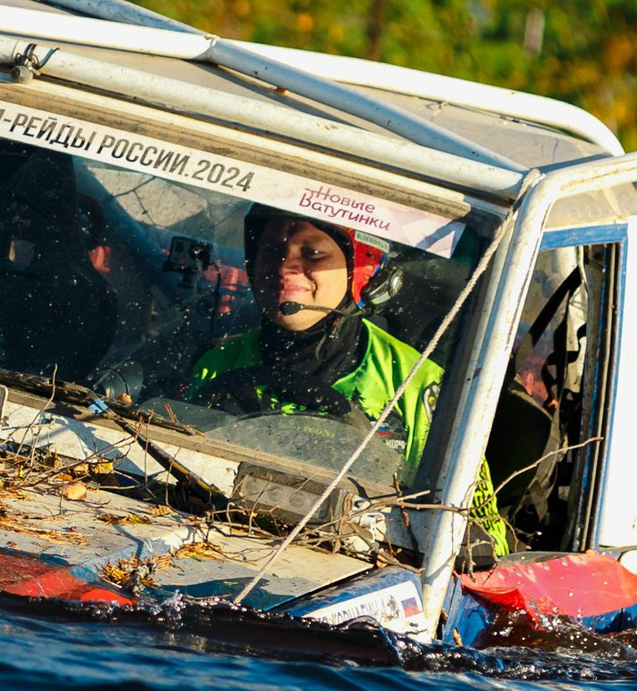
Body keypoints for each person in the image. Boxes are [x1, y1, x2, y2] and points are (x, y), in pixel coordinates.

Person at [188, 210, 509, 552]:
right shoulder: (217, 364)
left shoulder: (420, 385)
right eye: (271, 251)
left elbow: (484, 537)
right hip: (219, 544)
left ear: (362, 268)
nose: (285, 267)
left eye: (313, 254)